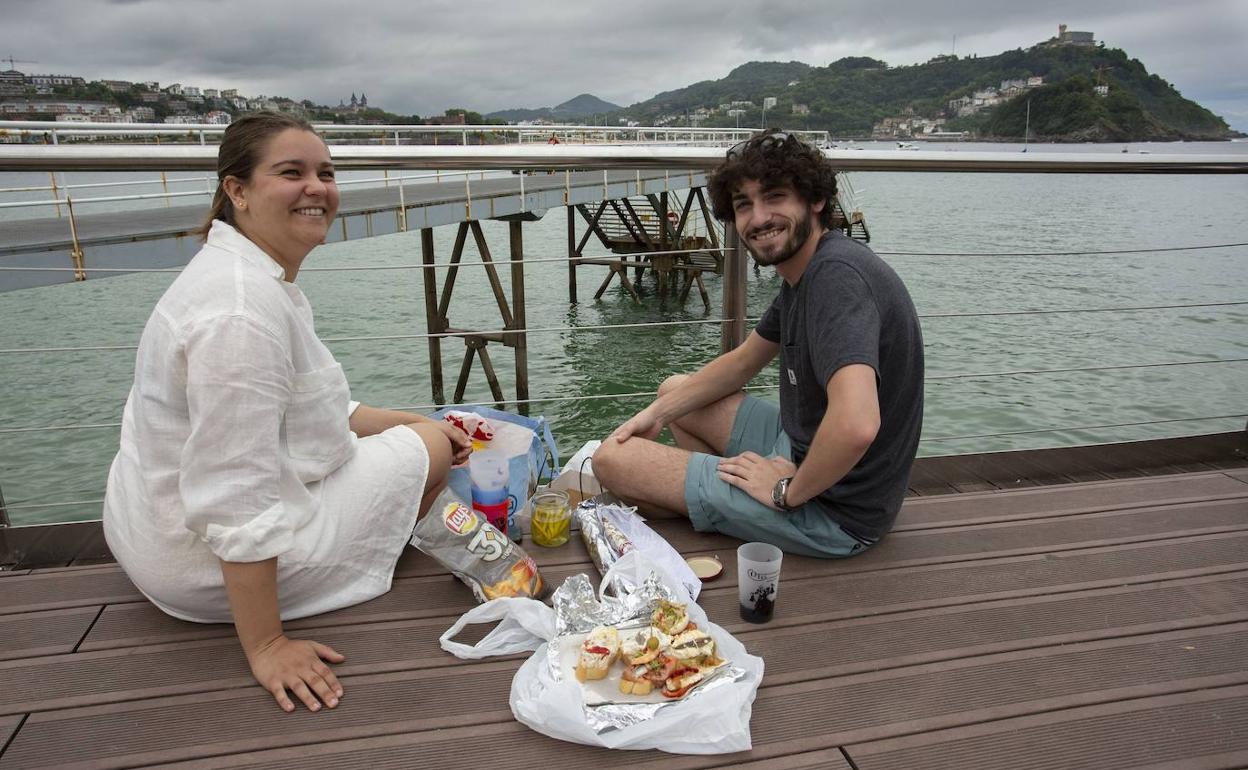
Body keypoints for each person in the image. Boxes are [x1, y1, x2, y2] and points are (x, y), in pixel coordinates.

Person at [102, 112, 471, 714]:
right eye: (290, 172)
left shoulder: (243, 275)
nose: (317, 188)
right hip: (200, 566)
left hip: (154, 527)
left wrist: (405, 420)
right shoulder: (240, 313)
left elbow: (305, 407)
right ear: (237, 190)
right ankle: (310, 592)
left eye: (325, 173)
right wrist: (268, 645)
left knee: (423, 434)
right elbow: (234, 496)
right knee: (434, 451)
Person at [593, 130, 924, 558]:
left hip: (837, 511)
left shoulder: (836, 280)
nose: (759, 218)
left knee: (610, 461)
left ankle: (745, 506)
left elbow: (857, 424)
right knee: (675, 391)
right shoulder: (809, 271)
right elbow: (744, 361)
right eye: (744, 204)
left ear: (815, 200)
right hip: (802, 450)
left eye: (775, 198)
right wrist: (653, 416)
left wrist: (785, 490)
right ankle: (725, 499)